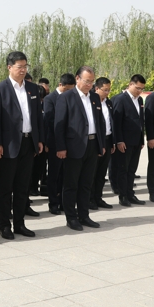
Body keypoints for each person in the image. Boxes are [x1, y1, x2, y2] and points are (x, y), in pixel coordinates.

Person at [0, 51, 44, 239]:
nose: (23, 70)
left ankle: (20, 224)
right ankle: (4, 226)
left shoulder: (32, 88)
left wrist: (39, 139)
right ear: (9, 67)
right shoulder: (0, 89)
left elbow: (38, 117)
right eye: (19, 67)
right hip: (8, 145)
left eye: (25, 66)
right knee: (6, 188)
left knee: (23, 187)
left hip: (28, 143)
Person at [55, 66, 105, 231]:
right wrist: (61, 147)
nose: (89, 85)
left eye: (92, 82)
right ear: (77, 79)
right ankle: (71, 217)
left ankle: (84, 215)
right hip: (73, 147)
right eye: (86, 81)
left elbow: (100, 122)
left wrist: (101, 144)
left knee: (86, 183)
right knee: (71, 184)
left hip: (92, 145)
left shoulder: (95, 98)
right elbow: (59, 125)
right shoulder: (66, 97)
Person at [111, 74, 146, 207]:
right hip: (124, 142)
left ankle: (130, 194)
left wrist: (141, 139)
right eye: (137, 88)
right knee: (123, 170)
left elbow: (140, 121)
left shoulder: (139, 100)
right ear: (130, 84)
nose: (139, 91)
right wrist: (119, 141)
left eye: (142, 89)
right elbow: (116, 122)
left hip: (136, 141)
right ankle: (123, 195)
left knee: (132, 169)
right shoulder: (120, 99)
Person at [43, 73, 75, 215]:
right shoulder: (50, 99)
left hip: (69, 142)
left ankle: (63, 202)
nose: (69, 92)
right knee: (54, 174)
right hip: (55, 142)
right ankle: (53, 203)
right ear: (60, 85)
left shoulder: (72, 98)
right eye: (67, 89)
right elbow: (50, 121)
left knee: (66, 174)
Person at [91, 77, 115, 210]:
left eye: (109, 90)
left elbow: (112, 123)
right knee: (92, 172)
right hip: (96, 141)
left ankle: (98, 197)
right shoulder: (91, 102)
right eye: (105, 90)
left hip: (107, 139)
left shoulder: (108, 103)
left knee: (101, 172)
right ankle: (89, 199)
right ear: (97, 88)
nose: (107, 92)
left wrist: (112, 143)